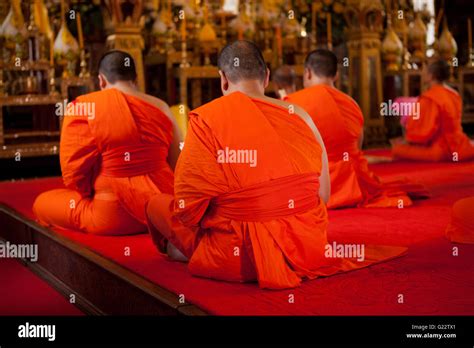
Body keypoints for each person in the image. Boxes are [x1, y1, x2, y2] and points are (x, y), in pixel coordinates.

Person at [146, 41, 406, 289]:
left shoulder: (206, 119)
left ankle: (188, 250)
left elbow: (188, 208)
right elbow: (323, 196)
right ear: (267, 77)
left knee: (157, 205)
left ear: (223, 79)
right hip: (304, 246)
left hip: (237, 257)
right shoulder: (300, 115)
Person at [33, 50, 182, 235]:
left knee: (42, 203)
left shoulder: (86, 106)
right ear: (136, 79)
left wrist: (88, 192)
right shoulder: (162, 107)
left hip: (111, 215)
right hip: (162, 211)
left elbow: (73, 171)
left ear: (101, 80)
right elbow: (178, 163)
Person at [286, 49, 421, 209]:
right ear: (336, 75)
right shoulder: (351, 103)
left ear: (307, 73)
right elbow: (358, 146)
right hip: (357, 181)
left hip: (320, 185)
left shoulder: (293, 102)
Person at [392, 60, 474, 161]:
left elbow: (423, 132)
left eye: (425, 71)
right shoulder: (454, 94)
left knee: (397, 150)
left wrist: (406, 140)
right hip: (460, 146)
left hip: (441, 150)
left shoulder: (429, 97)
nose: (423, 73)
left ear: (431, 76)